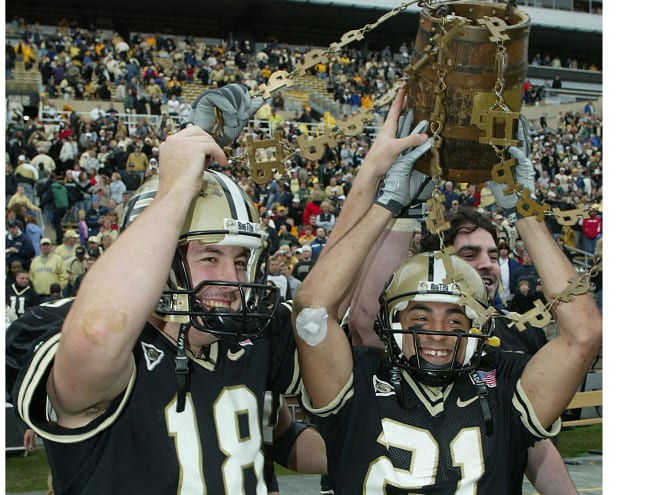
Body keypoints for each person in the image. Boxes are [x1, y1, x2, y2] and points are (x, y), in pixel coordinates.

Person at [9, 85, 326, 494]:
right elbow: (98, 333)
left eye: (241, 260)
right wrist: (176, 184)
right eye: (210, 257)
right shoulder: (68, 328)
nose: (233, 280)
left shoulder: (253, 335)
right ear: (160, 260)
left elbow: (283, 436)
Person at [290, 87, 601, 493]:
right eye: (420, 317)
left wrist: (523, 209)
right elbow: (312, 309)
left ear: (478, 325)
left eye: (456, 318)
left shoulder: (501, 381)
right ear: (391, 322)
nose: (438, 331)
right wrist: (390, 204)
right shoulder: (360, 380)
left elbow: (584, 331)